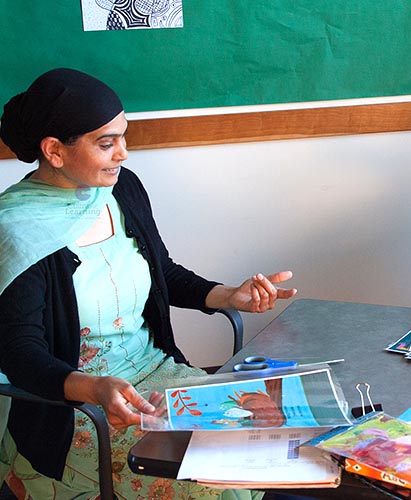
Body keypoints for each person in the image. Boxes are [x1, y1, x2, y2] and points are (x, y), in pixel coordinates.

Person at [0, 68, 297, 499]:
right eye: (107, 143)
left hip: (156, 375)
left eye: (123, 136)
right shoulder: (19, 229)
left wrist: (227, 295)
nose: (123, 153)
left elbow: (164, 273)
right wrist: (95, 388)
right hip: (84, 407)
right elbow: (20, 354)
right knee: (218, 485)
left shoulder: (122, 190)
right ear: (54, 151)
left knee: (272, 441)